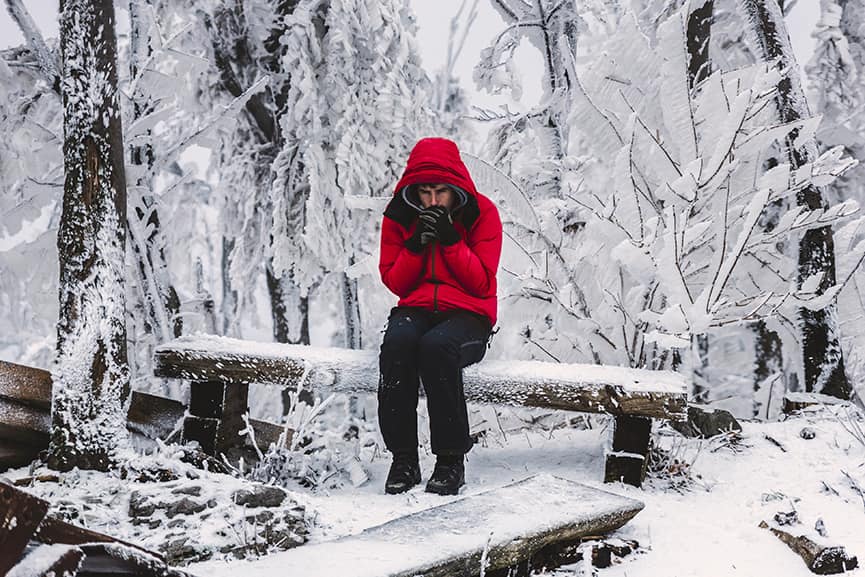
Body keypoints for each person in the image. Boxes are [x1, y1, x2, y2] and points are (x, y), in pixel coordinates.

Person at [377, 137, 502, 495]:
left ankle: (450, 460)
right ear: (413, 191)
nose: (432, 202)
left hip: (469, 314)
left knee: (436, 348)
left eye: (440, 192)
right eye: (425, 192)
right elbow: (395, 281)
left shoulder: (482, 213)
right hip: (415, 309)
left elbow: (481, 283)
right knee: (397, 345)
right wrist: (415, 246)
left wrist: (450, 242)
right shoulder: (400, 217)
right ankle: (403, 459)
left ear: (455, 189)